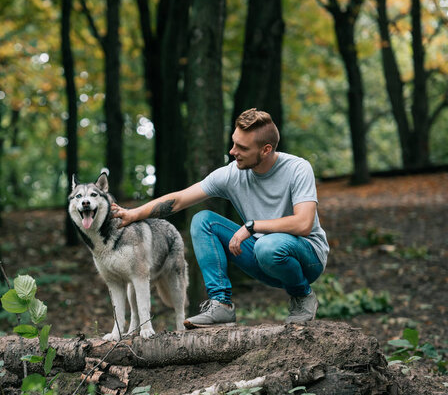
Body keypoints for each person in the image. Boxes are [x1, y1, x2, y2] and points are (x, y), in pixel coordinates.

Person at [111, 108, 329, 328]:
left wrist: (251, 227)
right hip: (264, 256)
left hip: (307, 258)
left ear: (266, 150)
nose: (233, 151)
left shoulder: (297, 169)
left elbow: (303, 223)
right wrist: (134, 213)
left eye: (242, 147)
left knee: (268, 247)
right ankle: (221, 305)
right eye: (234, 142)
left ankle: (302, 296)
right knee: (202, 220)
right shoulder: (232, 173)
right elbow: (178, 200)